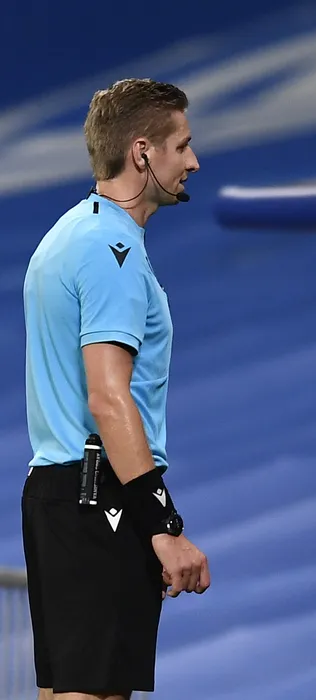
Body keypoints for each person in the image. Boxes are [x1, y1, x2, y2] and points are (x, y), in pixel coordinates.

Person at [21, 78, 208, 700]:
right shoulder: (113, 248)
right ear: (142, 152)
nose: (193, 161)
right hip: (101, 495)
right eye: (181, 145)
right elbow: (107, 397)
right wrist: (162, 523)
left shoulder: (70, 234)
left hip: (60, 496)